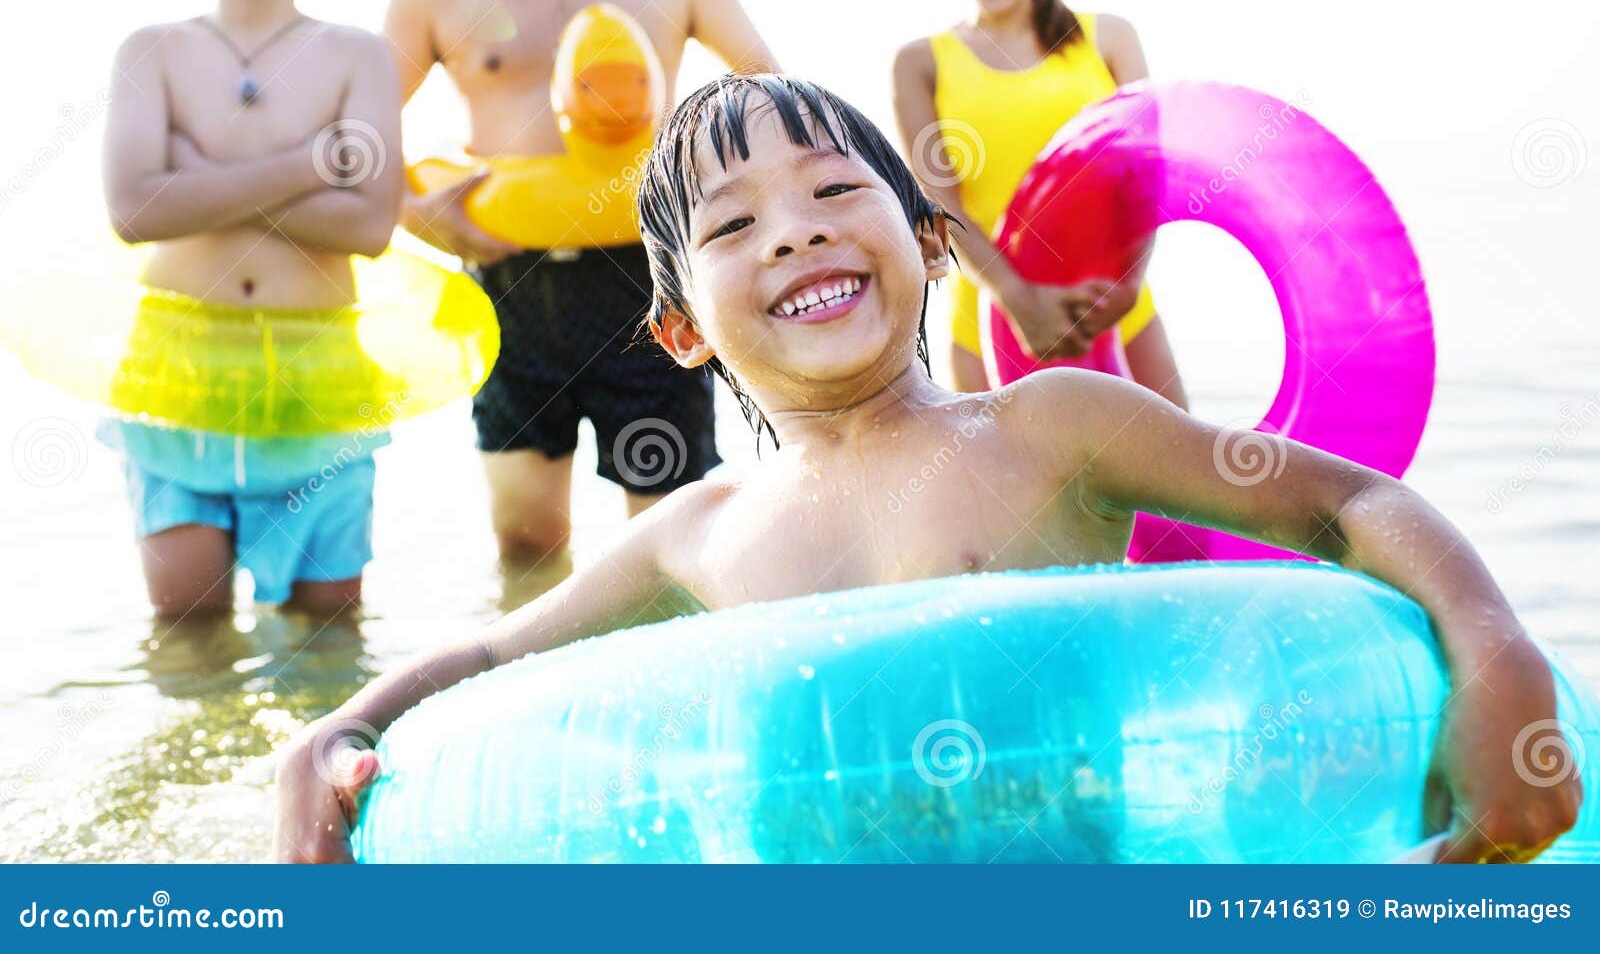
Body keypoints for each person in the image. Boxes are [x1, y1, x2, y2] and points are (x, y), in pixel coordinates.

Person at [274, 74, 1578, 866]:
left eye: (836, 191)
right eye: (732, 225)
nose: (794, 233)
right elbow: (499, 661)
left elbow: (1350, 501)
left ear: (932, 242)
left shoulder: (1050, 427)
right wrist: (331, 733)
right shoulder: (697, 533)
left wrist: (1496, 656)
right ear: (679, 329)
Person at [385, 0, 778, 565]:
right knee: (527, 544)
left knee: (673, 535)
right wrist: (421, 217)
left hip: (652, 278)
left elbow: (767, 92)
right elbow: (351, 129)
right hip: (507, 282)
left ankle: (674, 694)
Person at [101, 0, 403, 618]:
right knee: (187, 634)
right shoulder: (153, 50)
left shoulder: (358, 56)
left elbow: (370, 222)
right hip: (180, 371)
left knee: (326, 639)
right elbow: (134, 209)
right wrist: (311, 165)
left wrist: (198, 180)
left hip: (320, 371)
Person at [892, 0, 1186, 405]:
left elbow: (1148, 180)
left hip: (1118, 308)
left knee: (1190, 491)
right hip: (988, 316)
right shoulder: (919, 63)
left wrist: (1124, 291)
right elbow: (941, 203)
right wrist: (1020, 299)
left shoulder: (1111, 40)